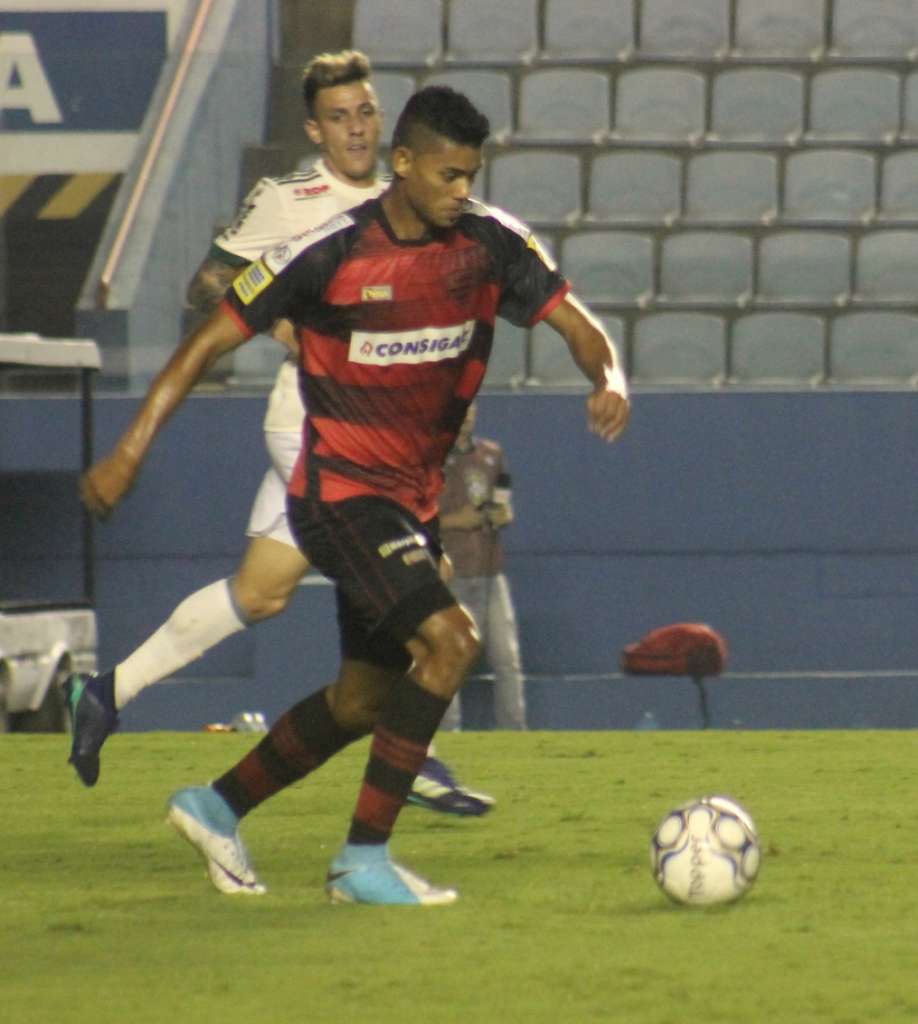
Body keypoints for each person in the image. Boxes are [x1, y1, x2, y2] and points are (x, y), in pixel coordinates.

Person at [75, 86, 630, 905]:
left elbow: (579, 324)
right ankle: (362, 862)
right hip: (338, 493)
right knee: (449, 643)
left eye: (470, 175)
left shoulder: (490, 244)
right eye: (447, 175)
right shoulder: (326, 253)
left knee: (363, 698)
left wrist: (608, 376)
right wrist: (128, 450)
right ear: (402, 165)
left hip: (409, 500)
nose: (460, 191)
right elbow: (206, 340)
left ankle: (213, 805)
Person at [63, 51, 492, 815]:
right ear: (314, 130)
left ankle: (105, 691)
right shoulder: (293, 199)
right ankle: (409, 752)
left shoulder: (416, 201)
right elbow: (206, 283)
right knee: (425, 589)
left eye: (364, 112)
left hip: (355, 429)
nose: (355, 128)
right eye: (338, 117)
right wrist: (286, 320)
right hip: (317, 423)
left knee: (260, 593)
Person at [438, 402, 526, 731]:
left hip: (490, 569)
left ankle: (515, 732)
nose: (468, 414)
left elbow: (503, 501)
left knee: (507, 660)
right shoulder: (431, 459)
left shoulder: (491, 454)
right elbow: (418, 518)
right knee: (450, 658)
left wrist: (503, 515)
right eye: (461, 407)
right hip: (451, 572)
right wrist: (457, 520)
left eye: (472, 407)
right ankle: (450, 734)